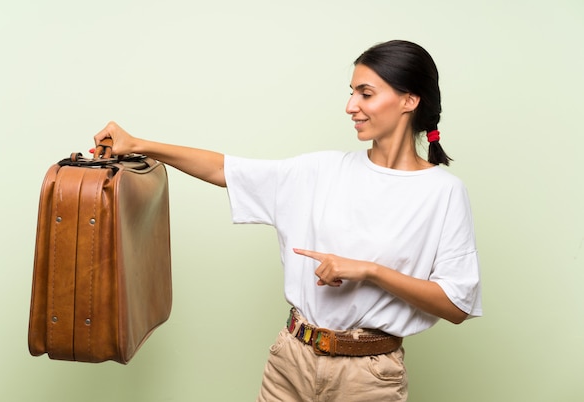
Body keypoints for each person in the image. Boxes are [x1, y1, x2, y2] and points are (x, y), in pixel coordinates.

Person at [94, 39, 482, 402]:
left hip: (368, 378)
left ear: (409, 100)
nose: (351, 106)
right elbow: (223, 169)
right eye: (351, 93)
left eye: (366, 93)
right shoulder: (320, 170)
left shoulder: (442, 193)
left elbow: (456, 304)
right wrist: (138, 143)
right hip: (290, 362)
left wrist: (369, 271)